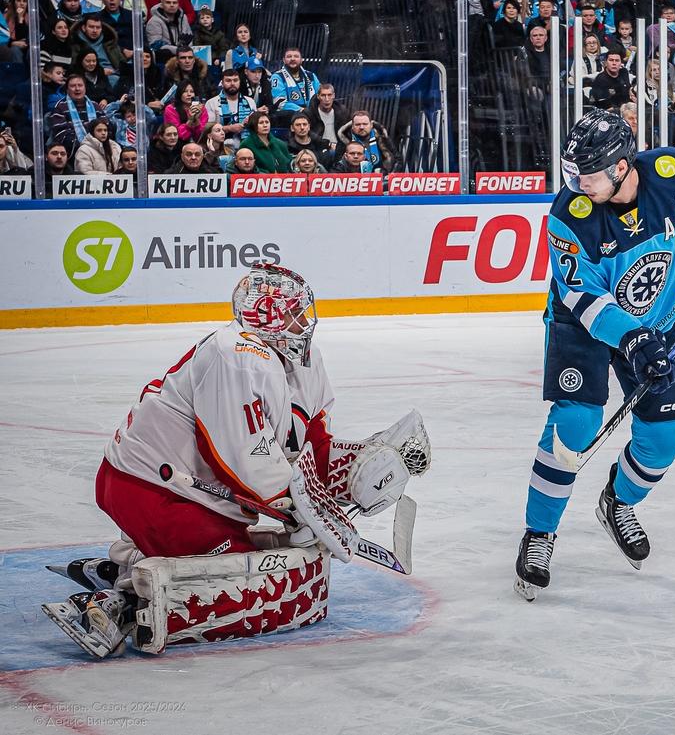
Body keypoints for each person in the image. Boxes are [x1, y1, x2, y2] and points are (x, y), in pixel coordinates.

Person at [39, 263, 429, 658]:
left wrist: (359, 469)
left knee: (277, 561)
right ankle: (117, 603)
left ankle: (126, 565)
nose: (304, 321)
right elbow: (240, 457)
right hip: (155, 491)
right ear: (268, 316)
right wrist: (299, 508)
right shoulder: (237, 354)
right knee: (251, 583)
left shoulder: (305, 361)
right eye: (294, 312)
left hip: (189, 493)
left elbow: (312, 442)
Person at [513, 109, 675, 600]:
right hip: (583, 325)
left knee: (664, 440)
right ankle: (539, 533)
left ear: (621, 166)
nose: (577, 184)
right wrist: (631, 338)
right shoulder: (569, 215)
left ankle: (618, 501)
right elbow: (582, 295)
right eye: (573, 173)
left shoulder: (673, 172)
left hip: (658, 321)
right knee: (575, 426)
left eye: (588, 174)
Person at [204, 68, 255, 140]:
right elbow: (208, 130)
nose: (232, 83)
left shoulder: (250, 102)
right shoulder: (211, 103)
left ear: (239, 82)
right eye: (228, 80)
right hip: (221, 144)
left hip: (246, 144)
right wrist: (229, 128)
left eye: (235, 80)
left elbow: (256, 127)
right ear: (222, 83)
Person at [270, 48, 321, 117]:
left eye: (296, 56)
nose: (292, 59)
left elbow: (320, 95)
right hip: (288, 117)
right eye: (289, 56)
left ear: (301, 60)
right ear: (284, 60)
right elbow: (280, 102)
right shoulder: (277, 77)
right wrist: (302, 110)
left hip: (311, 115)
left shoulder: (311, 76)